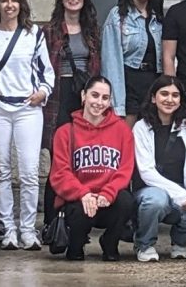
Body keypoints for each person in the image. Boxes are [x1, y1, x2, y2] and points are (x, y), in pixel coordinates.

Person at [0, 0, 54, 251]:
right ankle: (8, 229)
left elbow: (47, 72)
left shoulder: (34, 34)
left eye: (14, 0)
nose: (9, 5)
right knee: (3, 171)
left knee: (30, 172)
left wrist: (43, 92)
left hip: (28, 109)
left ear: (21, 4)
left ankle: (28, 230)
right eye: (4, 0)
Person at [48, 76, 135, 261]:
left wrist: (108, 193)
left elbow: (125, 170)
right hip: (78, 201)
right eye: (94, 95)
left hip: (107, 200)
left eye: (105, 98)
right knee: (80, 213)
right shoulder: (65, 132)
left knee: (126, 201)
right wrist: (83, 193)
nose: (99, 102)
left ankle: (110, 243)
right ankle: (76, 245)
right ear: (83, 96)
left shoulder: (122, 131)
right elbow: (60, 174)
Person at [132, 75, 186, 262]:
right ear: (153, 98)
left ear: (181, 100)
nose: (169, 99)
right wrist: (179, 194)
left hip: (183, 194)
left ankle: (180, 243)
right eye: (164, 94)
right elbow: (146, 171)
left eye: (175, 95)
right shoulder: (141, 127)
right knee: (156, 200)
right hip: (150, 192)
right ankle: (145, 244)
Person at [42, 0, 101, 222]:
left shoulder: (92, 32)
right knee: (60, 159)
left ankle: (78, 218)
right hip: (58, 94)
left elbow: (97, 67)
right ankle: (52, 220)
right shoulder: (49, 31)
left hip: (84, 96)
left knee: (83, 157)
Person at [101, 0, 165, 125]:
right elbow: (111, 60)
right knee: (126, 138)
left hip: (154, 83)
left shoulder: (158, 17)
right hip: (128, 83)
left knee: (151, 141)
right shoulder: (118, 16)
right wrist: (115, 100)